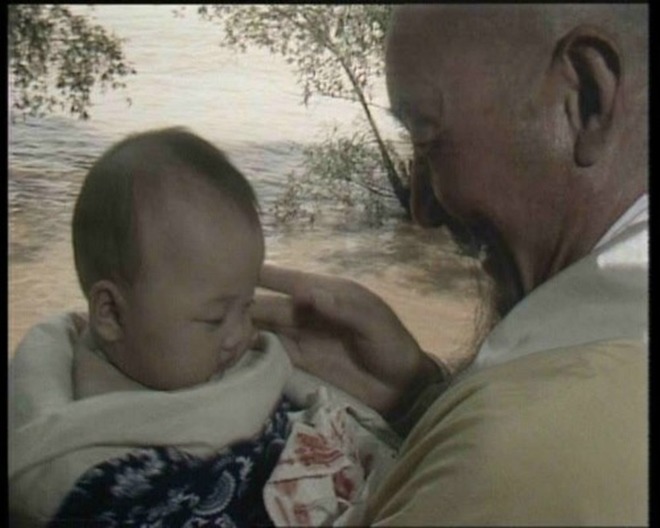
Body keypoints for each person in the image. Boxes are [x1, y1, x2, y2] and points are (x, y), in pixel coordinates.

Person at [253, 5, 648, 525]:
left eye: (428, 140)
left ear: (587, 98)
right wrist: (421, 397)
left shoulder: (518, 456)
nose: (421, 210)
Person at [8, 128, 398, 527]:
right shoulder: (84, 456)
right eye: (214, 319)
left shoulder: (183, 365)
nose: (241, 335)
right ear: (110, 313)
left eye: (245, 307)